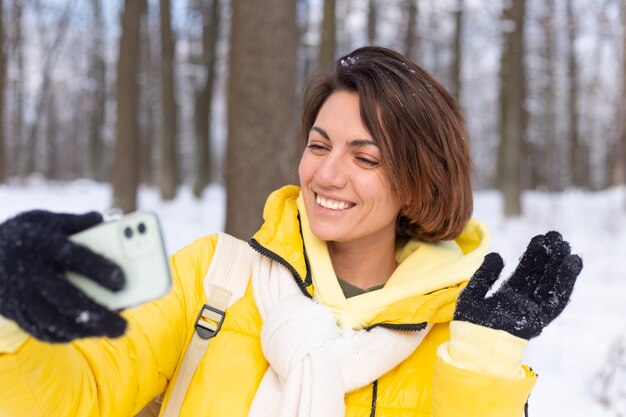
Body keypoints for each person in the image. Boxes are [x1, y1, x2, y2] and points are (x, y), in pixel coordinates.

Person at [0, 46, 582, 417]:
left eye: (365, 158)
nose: (326, 174)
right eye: (318, 145)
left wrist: (482, 369)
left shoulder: (452, 338)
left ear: (417, 179)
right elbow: (76, 398)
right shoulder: (213, 279)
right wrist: (10, 323)